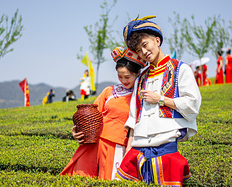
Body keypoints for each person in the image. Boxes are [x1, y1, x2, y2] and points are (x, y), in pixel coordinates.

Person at [116, 15, 202, 186]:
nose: (144, 52)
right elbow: (134, 115)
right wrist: (129, 146)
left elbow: (193, 103)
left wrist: (161, 99)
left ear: (157, 40)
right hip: (138, 150)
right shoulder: (141, 78)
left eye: (145, 45)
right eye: (139, 50)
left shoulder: (180, 69)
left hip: (165, 149)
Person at [59, 47, 147, 180]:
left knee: (110, 180)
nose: (123, 80)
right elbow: (90, 114)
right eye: (119, 76)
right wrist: (77, 130)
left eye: (127, 77)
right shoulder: (109, 91)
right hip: (94, 143)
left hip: (118, 145)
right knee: (81, 179)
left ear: (138, 73)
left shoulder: (142, 95)